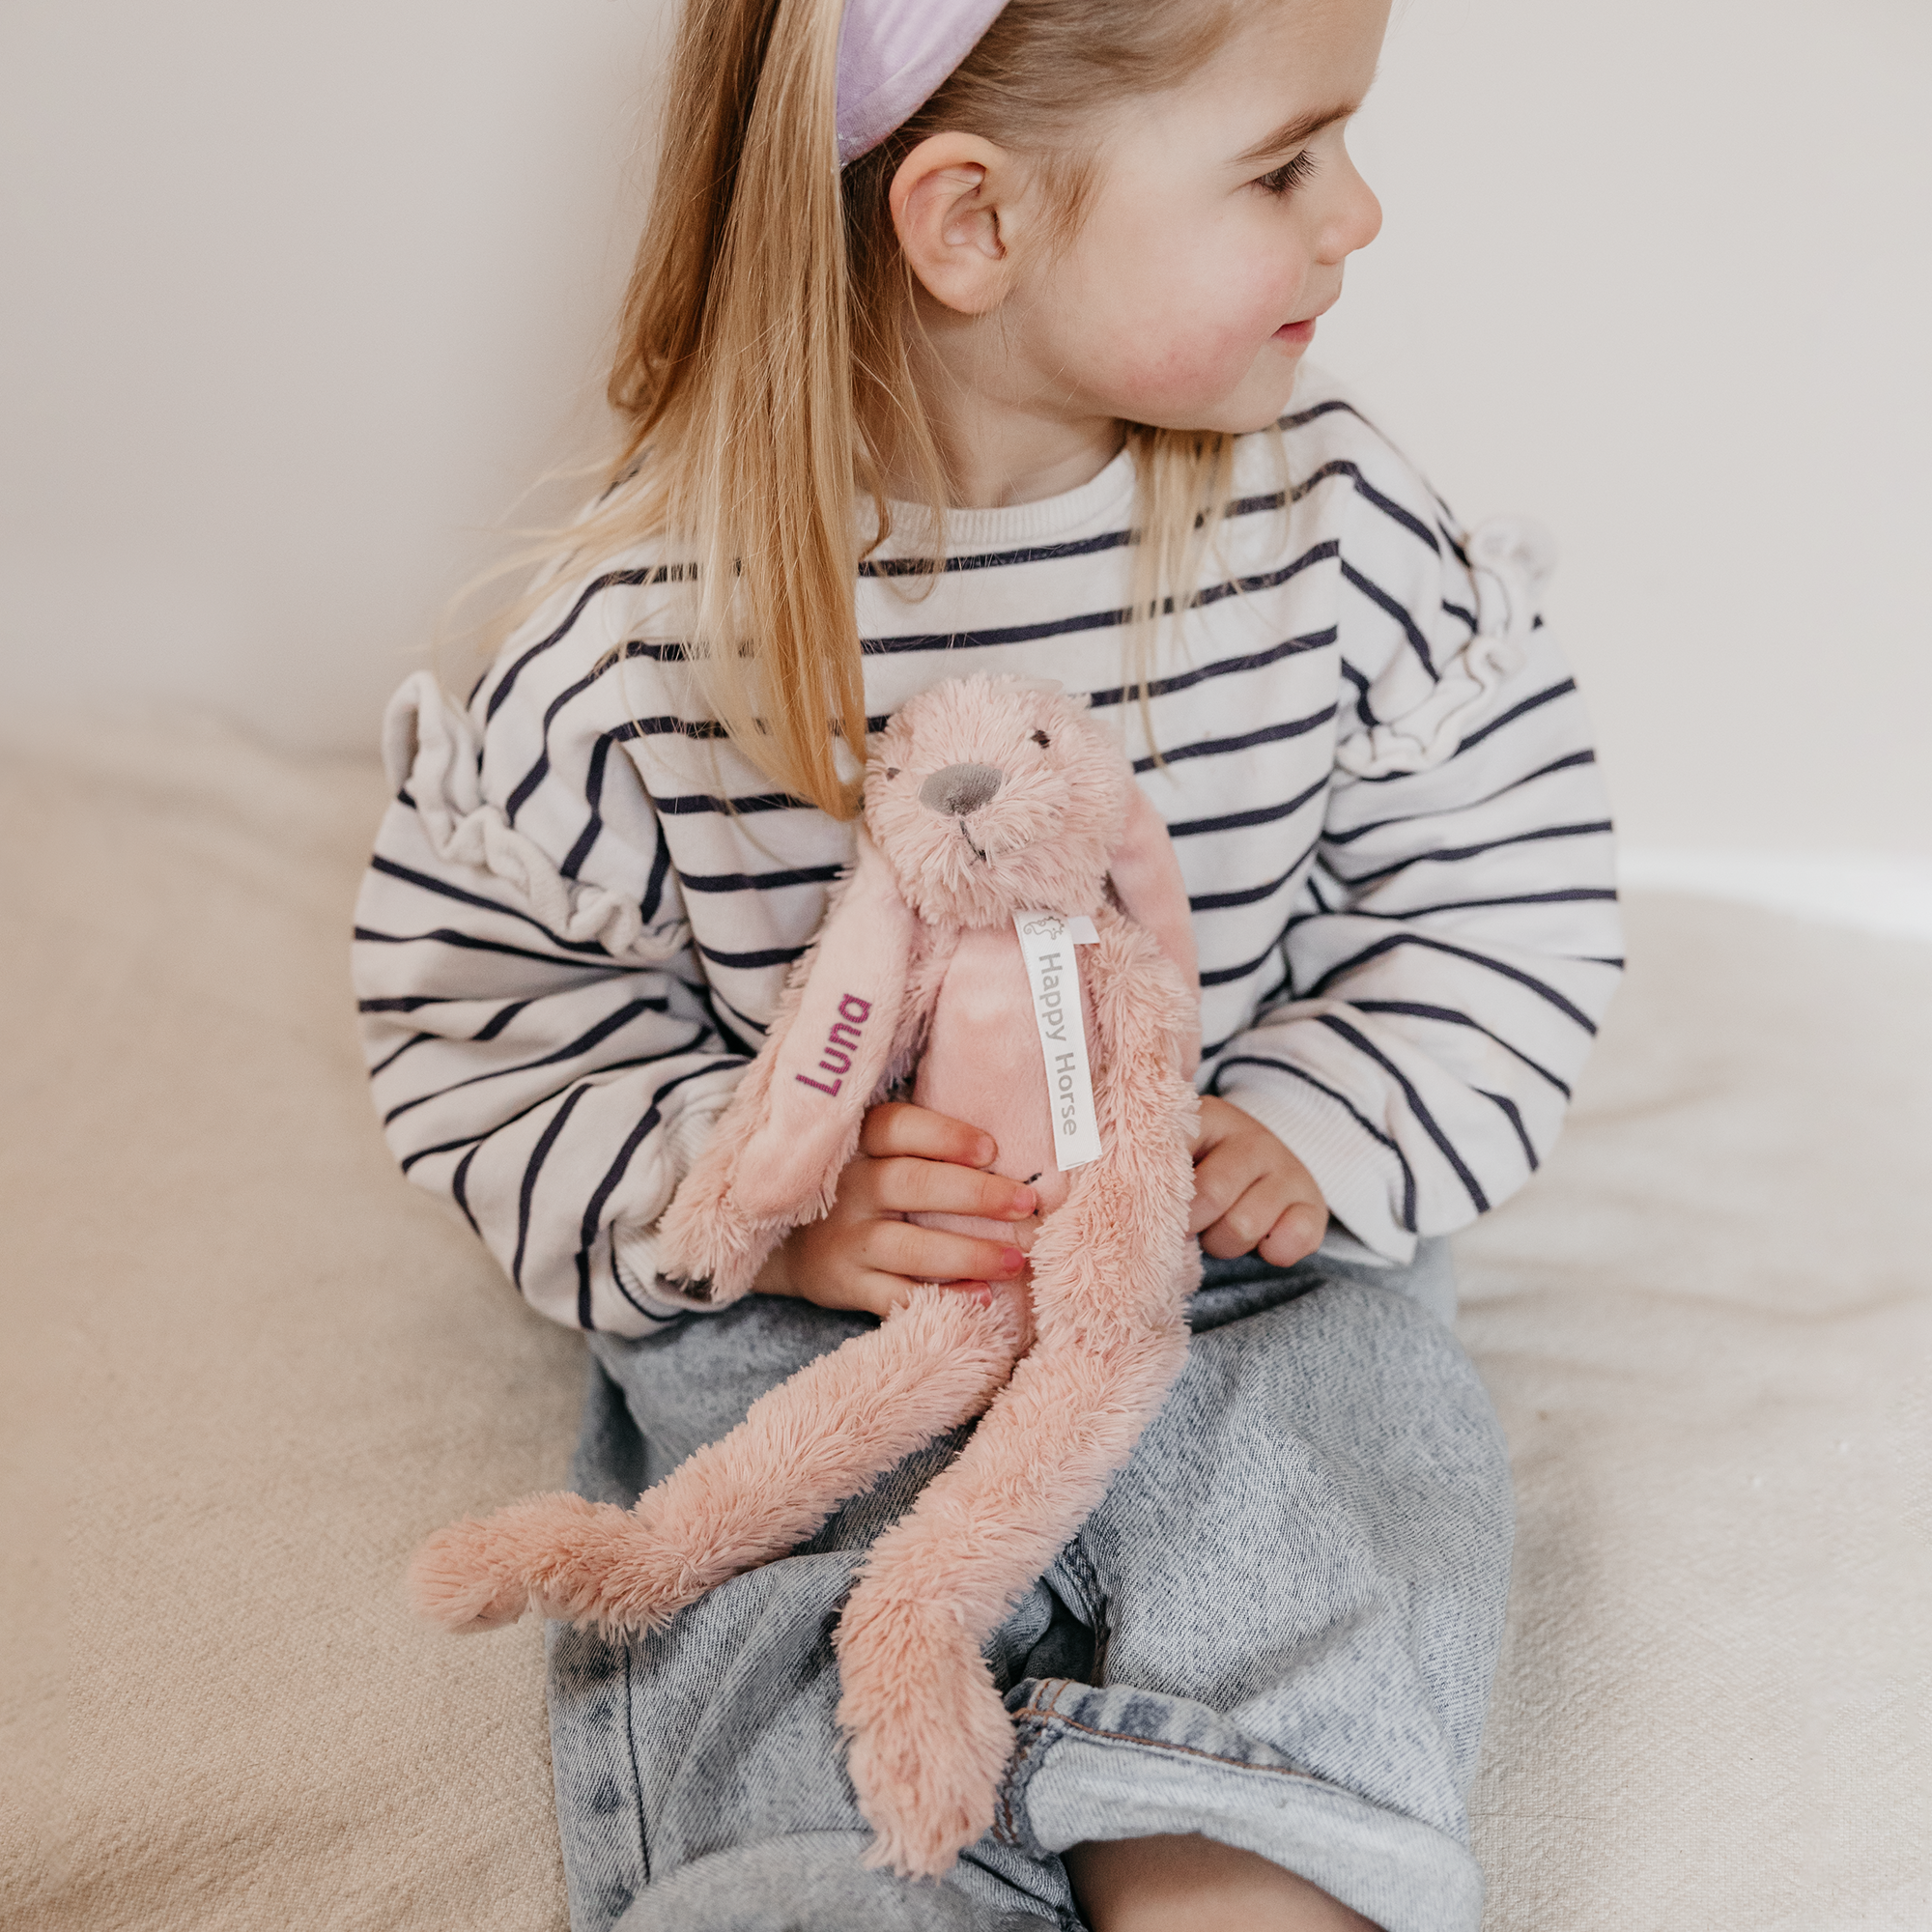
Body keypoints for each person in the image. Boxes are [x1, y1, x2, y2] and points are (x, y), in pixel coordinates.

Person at [352, 0, 1621, 1925]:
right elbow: (489, 1034)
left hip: (1215, 1277)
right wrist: (762, 1206)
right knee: (784, 1598)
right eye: (1284, 162)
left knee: (1332, 1473)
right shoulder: (640, 645)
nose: (1354, 215)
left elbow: (1497, 894)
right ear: (972, 225)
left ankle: (1239, 1850)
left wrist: (1313, 1116)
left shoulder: (1332, 535)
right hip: (847, 1335)